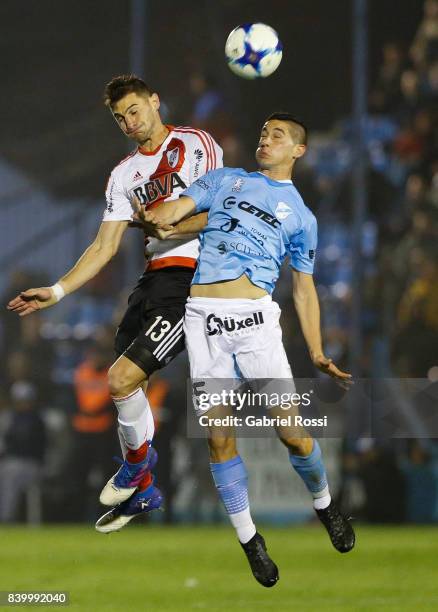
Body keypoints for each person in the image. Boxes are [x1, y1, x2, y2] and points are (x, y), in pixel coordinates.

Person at [130, 112, 355, 587]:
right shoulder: (226, 180)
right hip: (204, 323)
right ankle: (251, 541)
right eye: (263, 133)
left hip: (256, 325)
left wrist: (316, 349)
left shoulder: (302, 218)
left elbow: (304, 290)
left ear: (299, 150)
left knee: (292, 435)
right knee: (218, 437)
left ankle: (326, 505)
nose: (265, 139)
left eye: (278, 135)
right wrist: (153, 213)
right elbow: (170, 215)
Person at [7, 75, 223, 524]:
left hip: (192, 280)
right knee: (123, 385)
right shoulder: (125, 175)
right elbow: (104, 247)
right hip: (151, 283)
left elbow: (218, 212)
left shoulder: (197, 143)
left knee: (122, 378)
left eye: (134, 110)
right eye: (120, 117)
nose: (129, 122)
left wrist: (171, 227)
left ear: (155, 102)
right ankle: (144, 491)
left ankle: (137, 470)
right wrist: (58, 290)